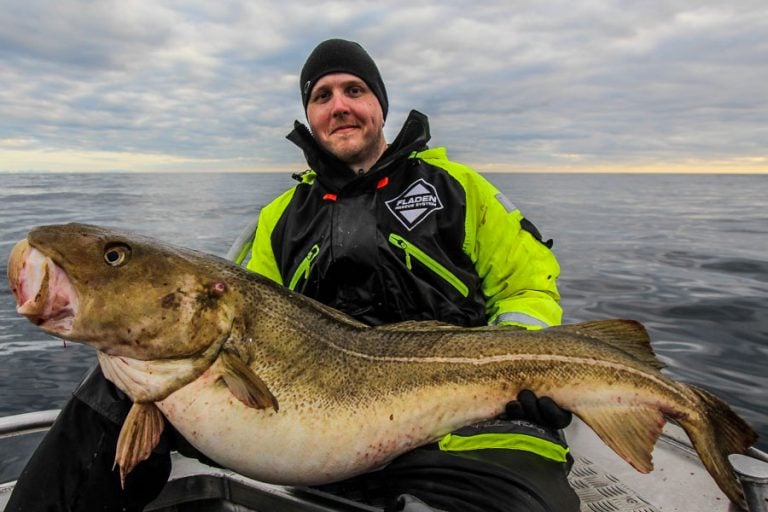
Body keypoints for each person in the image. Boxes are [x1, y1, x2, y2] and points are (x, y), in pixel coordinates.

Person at [6, 39, 578, 512]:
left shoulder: (458, 190)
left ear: (381, 105)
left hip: (464, 419)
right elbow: (250, 325)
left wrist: (526, 360)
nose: (340, 106)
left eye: (355, 90)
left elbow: (529, 282)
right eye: (323, 95)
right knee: (108, 393)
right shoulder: (279, 219)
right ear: (309, 113)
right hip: (310, 424)